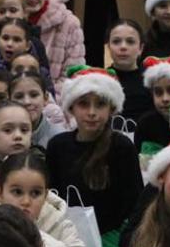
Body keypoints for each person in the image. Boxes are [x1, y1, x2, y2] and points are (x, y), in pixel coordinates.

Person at [47, 66, 144, 236]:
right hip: (67, 234)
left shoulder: (122, 147)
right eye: (83, 104)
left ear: (111, 109)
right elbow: (52, 197)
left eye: (100, 104)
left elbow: (134, 203)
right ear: (71, 108)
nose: (92, 112)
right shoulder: (57, 146)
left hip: (112, 236)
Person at [0, 150, 91, 247]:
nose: (26, 201)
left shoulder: (62, 227)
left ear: (45, 196)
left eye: (35, 193)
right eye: (17, 192)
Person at [19, 0, 84, 94]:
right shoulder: (11, 22)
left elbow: (74, 74)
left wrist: (49, 99)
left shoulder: (69, 23)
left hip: (56, 99)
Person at [106, 19, 152, 123]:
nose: (123, 47)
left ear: (141, 48)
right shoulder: (100, 80)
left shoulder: (152, 81)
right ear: (109, 47)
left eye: (130, 41)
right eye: (116, 41)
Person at [11, 71, 65, 150]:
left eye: (34, 95)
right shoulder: (0, 135)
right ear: (9, 100)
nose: (27, 102)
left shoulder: (58, 137)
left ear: (45, 98)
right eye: (19, 97)